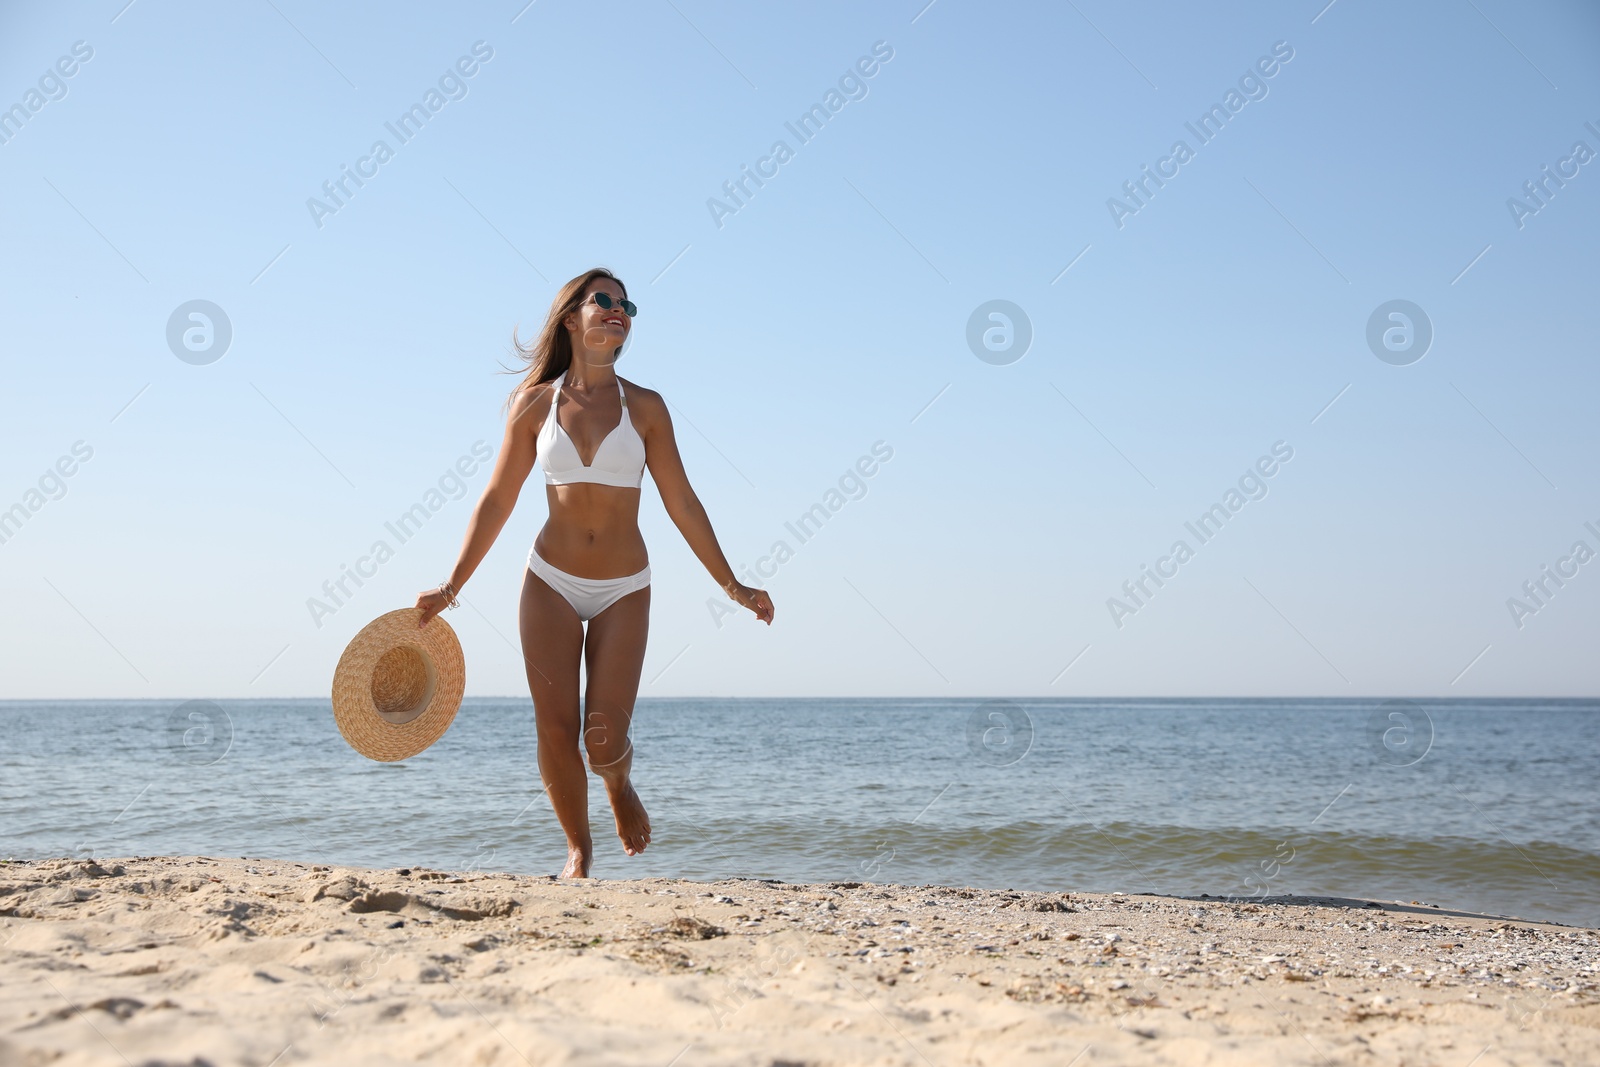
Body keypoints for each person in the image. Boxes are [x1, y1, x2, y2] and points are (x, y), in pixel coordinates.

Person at [414, 267, 773, 878]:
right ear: (570, 317)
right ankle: (579, 850)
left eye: (626, 304)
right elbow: (497, 499)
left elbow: (682, 503)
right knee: (555, 730)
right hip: (549, 580)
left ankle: (618, 783)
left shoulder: (648, 408)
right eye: (602, 300)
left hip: (623, 589)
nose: (618, 310)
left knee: (602, 741)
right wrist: (451, 588)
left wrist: (732, 585)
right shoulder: (534, 405)